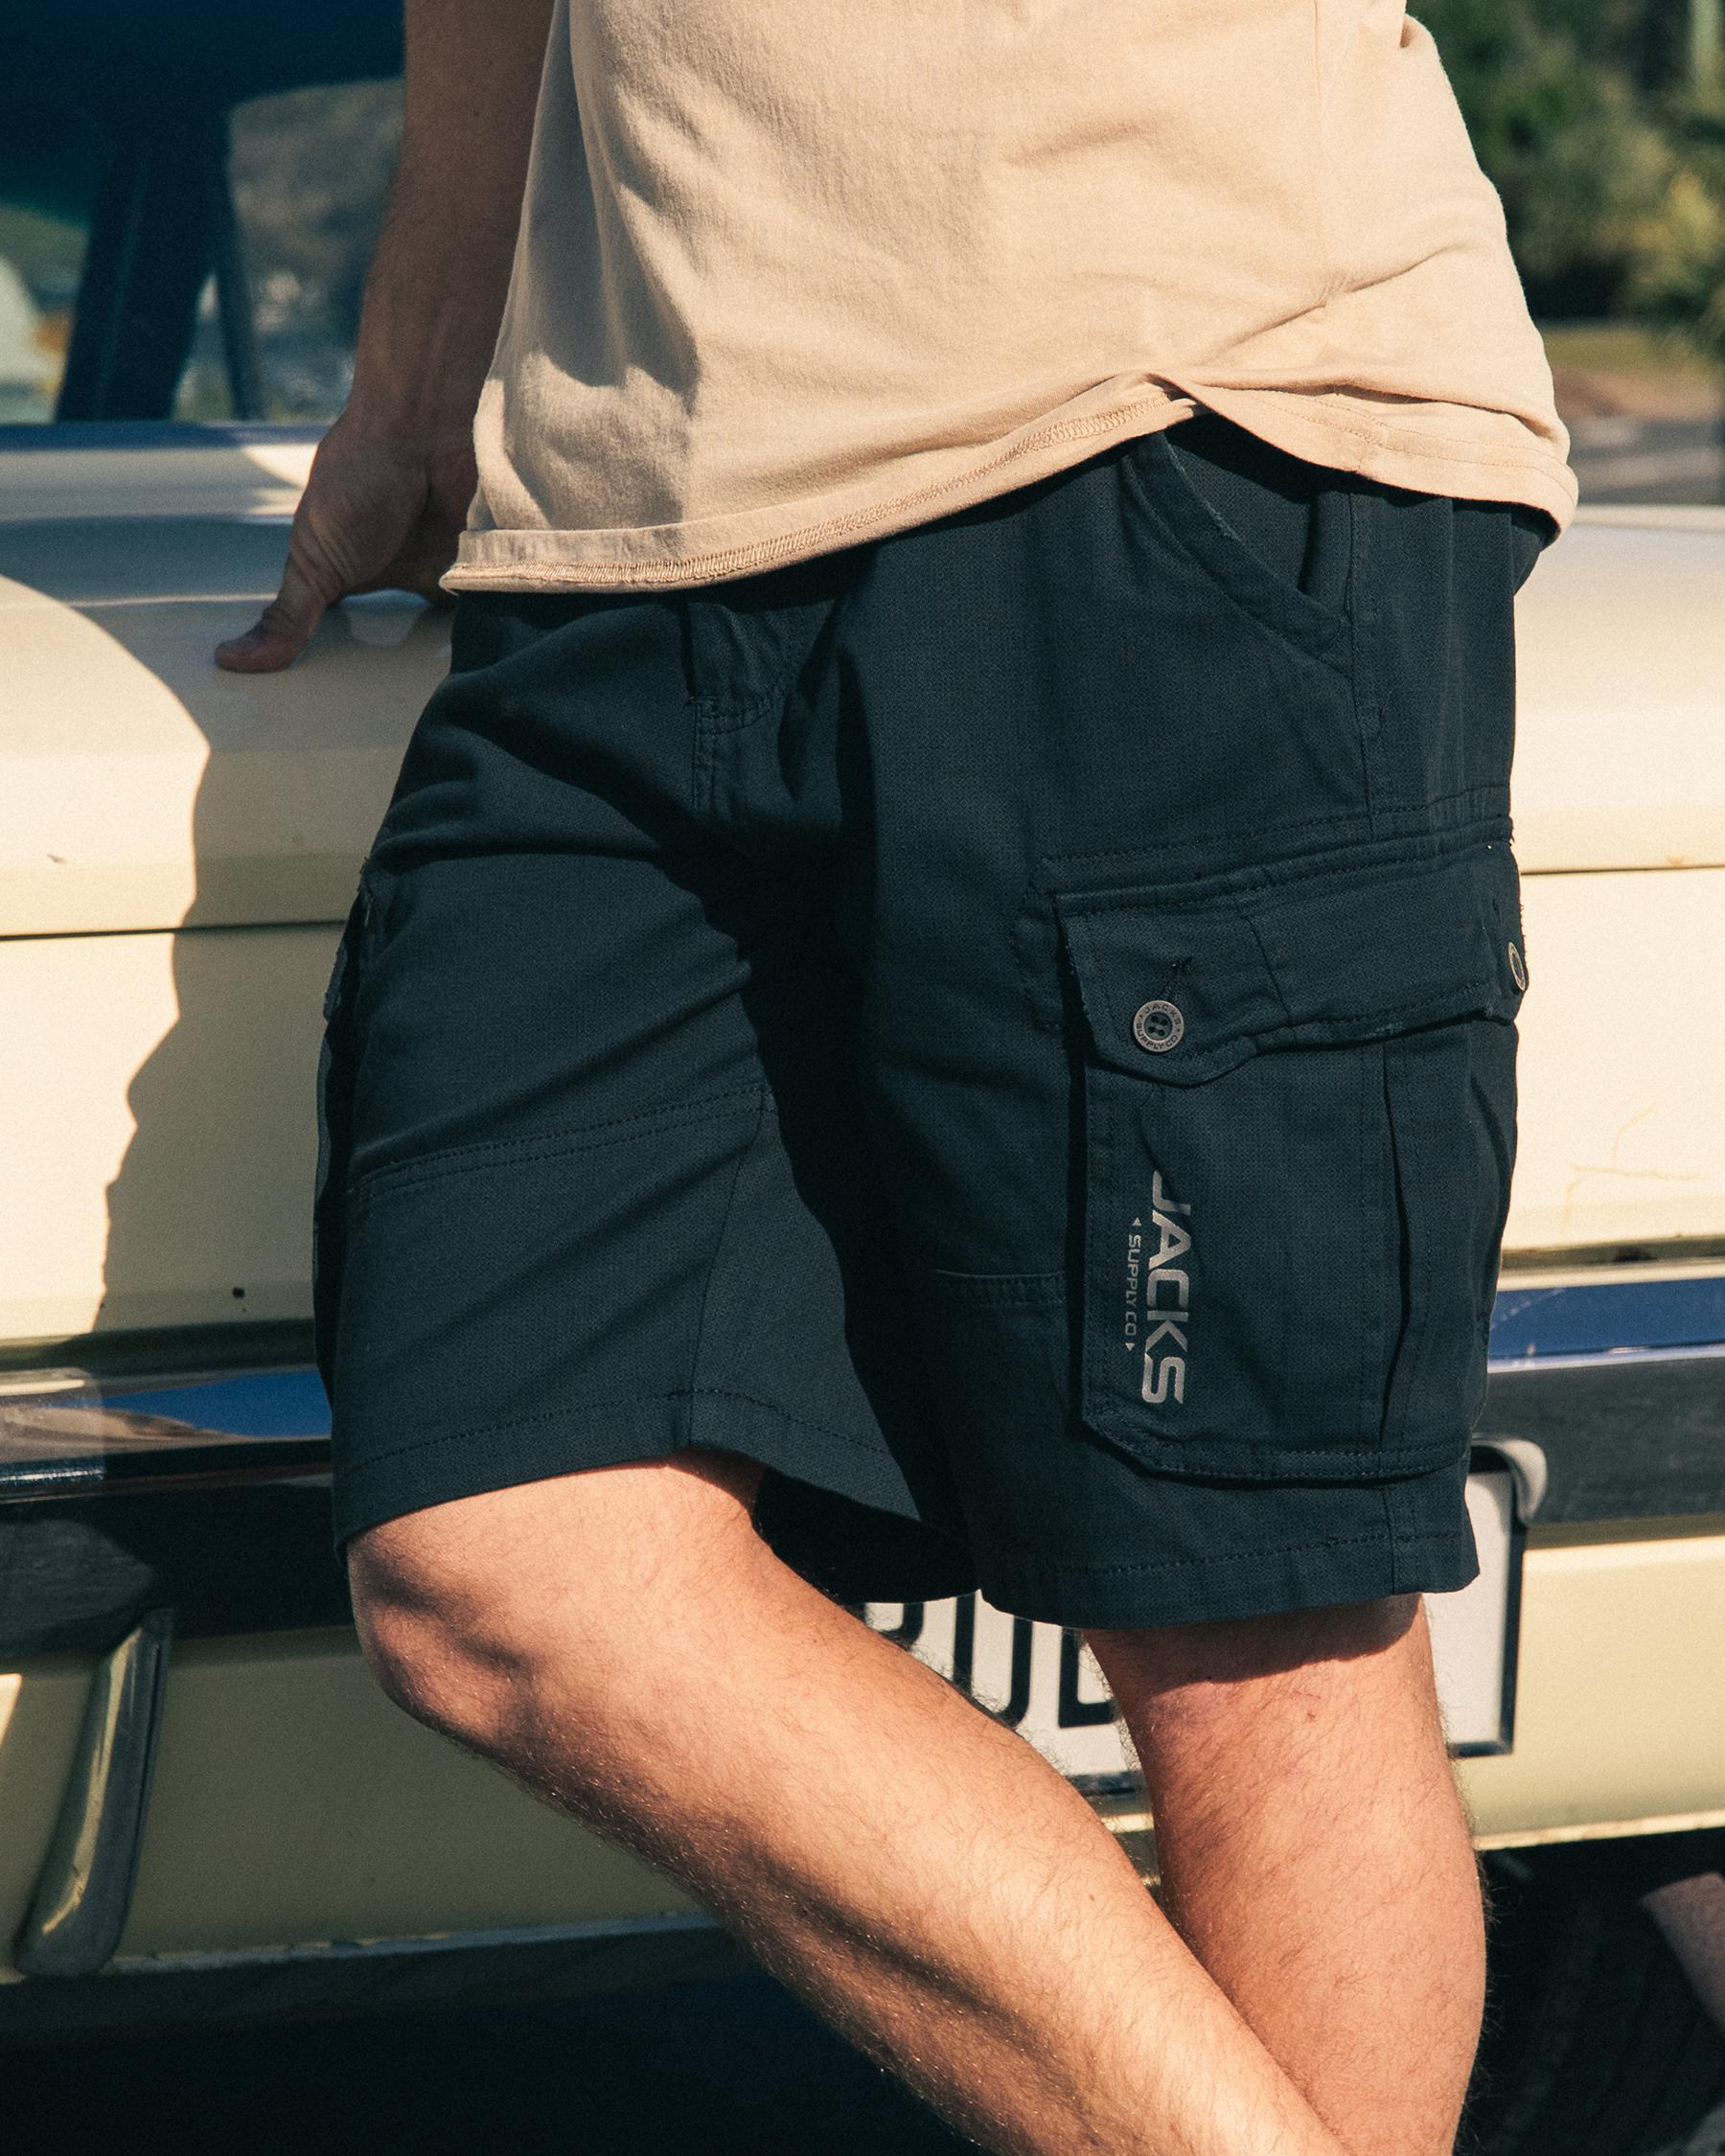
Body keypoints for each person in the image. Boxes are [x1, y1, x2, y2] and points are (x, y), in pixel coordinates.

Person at [218, 4, 1573, 2149]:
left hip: (1167, 409)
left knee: (1244, 1622)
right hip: (622, 515)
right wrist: (412, 386)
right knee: (505, 1554)